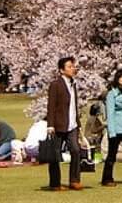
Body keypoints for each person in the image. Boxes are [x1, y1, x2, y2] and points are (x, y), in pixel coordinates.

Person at [46, 56, 83, 191]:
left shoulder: (73, 85)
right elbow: (51, 106)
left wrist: (78, 124)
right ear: (61, 70)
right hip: (58, 125)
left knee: (76, 150)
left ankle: (75, 180)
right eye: (69, 66)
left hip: (72, 124)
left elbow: (74, 106)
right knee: (55, 155)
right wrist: (50, 125)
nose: (73, 69)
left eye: (73, 66)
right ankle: (55, 183)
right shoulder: (56, 85)